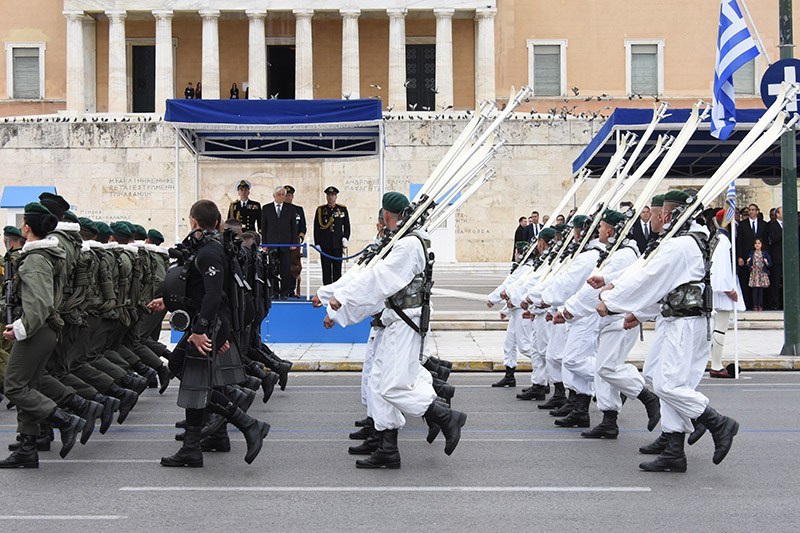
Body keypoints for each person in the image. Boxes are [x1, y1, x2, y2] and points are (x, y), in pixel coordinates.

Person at [598, 190, 740, 473]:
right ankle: (674, 448)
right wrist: (638, 313)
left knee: (668, 385)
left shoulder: (680, 246)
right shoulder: (696, 240)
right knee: (657, 375)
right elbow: (667, 284)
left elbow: (650, 279)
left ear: (666, 215)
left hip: (683, 324)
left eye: (655, 213)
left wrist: (611, 302)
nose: (651, 219)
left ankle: (715, 421)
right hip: (683, 320)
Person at [327, 192, 467, 469]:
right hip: (397, 320)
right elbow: (373, 275)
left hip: (405, 323)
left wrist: (343, 298)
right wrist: (340, 299)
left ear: (388, 216)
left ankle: (443, 414)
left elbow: (380, 279)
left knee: (391, 386)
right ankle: (387, 447)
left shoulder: (408, 246)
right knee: (378, 384)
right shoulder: (405, 242)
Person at [160, 200, 270, 467]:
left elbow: (212, 294)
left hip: (209, 324)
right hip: (212, 323)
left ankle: (247, 424)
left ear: (194, 222)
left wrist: (200, 331)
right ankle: (199, 444)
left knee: (184, 371)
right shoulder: (214, 247)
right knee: (193, 378)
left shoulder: (210, 251)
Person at [0, 202, 86, 468]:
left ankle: (65, 419)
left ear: (27, 227)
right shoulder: (46, 254)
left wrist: (20, 329)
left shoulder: (36, 259)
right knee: (30, 386)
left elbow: (39, 305)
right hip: (44, 330)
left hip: (36, 331)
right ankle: (28, 447)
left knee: (14, 385)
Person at [709, 209, 745, 379]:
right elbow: (721, 267)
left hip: (719, 288)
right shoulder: (723, 241)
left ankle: (716, 362)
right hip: (722, 291)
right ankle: (716, 365)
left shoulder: (718, 239)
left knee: (718, 327)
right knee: (720, 328)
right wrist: (728, 289)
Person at [261, 186, 298, 298]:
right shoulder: (266, 208)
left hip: (285, 243)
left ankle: (284, 292)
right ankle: (274, 291)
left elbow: (293, 227)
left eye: (283, 194)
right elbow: (264, 226)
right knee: (272, 269)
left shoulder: (290, 208)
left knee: (285, 269)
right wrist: (265, 243)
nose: (281, 197)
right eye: (279, 194)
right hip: (271, 243)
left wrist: (293, 243)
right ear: (274, 196)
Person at [314, 186, 351, 285]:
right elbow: (316, 228)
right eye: (329, 195)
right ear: (326, 197)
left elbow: (347, 226)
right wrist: (317, 243)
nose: (331, 197)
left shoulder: (342, 209)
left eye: (333, 195)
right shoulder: (321, 210)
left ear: (336, 196)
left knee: (337, 270)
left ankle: (336, 290)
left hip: (337, 244)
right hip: (325, 244)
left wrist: (345, 238)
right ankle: (326, 289)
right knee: (326, 270)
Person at [737, 203, 766, 309]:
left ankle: (759, 304)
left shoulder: (763, 224)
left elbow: (766, 241)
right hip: (746, 257)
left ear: (757, 211)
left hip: (759, 258)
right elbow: (739, 241)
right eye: (749, 210)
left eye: (753, 210)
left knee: (759, 283)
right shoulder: (743, 224)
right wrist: (739, 257)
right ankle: (747, 304)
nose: (751, 212)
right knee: (746, 281)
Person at [284, 185, 306, 297]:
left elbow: (303, 227)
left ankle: (291, 289)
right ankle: (282, 289)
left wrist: (300, 238)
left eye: (289, 195)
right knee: (281, 266)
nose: (288, 197)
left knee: (293, 267)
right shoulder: (280, 209)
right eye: (286, 195)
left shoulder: (298, 210)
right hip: (282, 242)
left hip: (294, 243)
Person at [747, 238, 771, 312]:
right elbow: (748, 264)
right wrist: (748, 263)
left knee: (760, 290)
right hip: (754, 273)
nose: (757, 245)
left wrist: (766, 262)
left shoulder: (764, 253)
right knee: (755, 290)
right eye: (756, 243)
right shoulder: (751, 253)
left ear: (761, 244)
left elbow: (769, 264)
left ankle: (760, 305)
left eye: (759, 243)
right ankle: (755, 305)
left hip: (762, 273)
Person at [766, 207, 783, 310]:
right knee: (776, 282)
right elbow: (772, 239)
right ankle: (775, 303)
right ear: (777, 214)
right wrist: (783, 231)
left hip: (787, 258)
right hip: (777, 258)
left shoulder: (790, 225)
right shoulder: (772, 226)